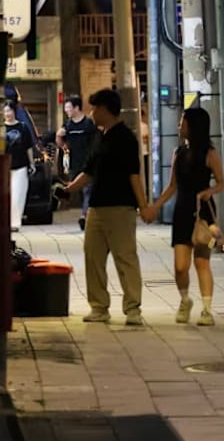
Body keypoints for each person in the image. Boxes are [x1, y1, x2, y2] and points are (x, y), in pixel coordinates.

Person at [60, 89, 153, 326]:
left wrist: (143, 206)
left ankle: (133, 309)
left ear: (104, 109)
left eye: (94, 108)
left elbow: (134, 175)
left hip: (121, 207)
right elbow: (89, 171)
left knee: (125, 257)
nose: (91, 113)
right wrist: (70, 188)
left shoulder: (126, 138)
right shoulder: (100, 136)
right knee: (93, 256)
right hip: (96, 207)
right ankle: (99, 307)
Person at [147, 107, 224, 325]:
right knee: (180, 267)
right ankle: (185, 300)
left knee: (202, 262)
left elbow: (221, 183)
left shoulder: (210, 154)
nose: (179, 125)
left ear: (194, 126)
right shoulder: (178, 153)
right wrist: (155, 207)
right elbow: (172, 186)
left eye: (183, 121)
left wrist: (210, 191)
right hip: (182, 211)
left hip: (203, 213)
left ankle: (207, 310)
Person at [56, 94, 99, 231]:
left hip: (88, 162)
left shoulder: (88, 124)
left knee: (87, 190)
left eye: (68, 107)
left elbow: (96, 141)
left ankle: (84, 216)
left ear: (77, 108)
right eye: (65, 108)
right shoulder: (67, 125)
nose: (66, 110)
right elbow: (60, 142)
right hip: (74, 163)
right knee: (79, 190)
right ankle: (87, 213)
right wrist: (60, 138)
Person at [3, 101, 36, 232]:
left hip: (20, 166)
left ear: (14, 111)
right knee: (6, 196)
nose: (7, 114)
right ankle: (5, 222)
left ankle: (15, 223)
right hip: (4, 167)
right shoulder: (0, 128)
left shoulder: (23, 127)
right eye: (5, 111)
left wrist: (31, 163)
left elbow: (29, 147)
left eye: (9, 110)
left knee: (17, 196)